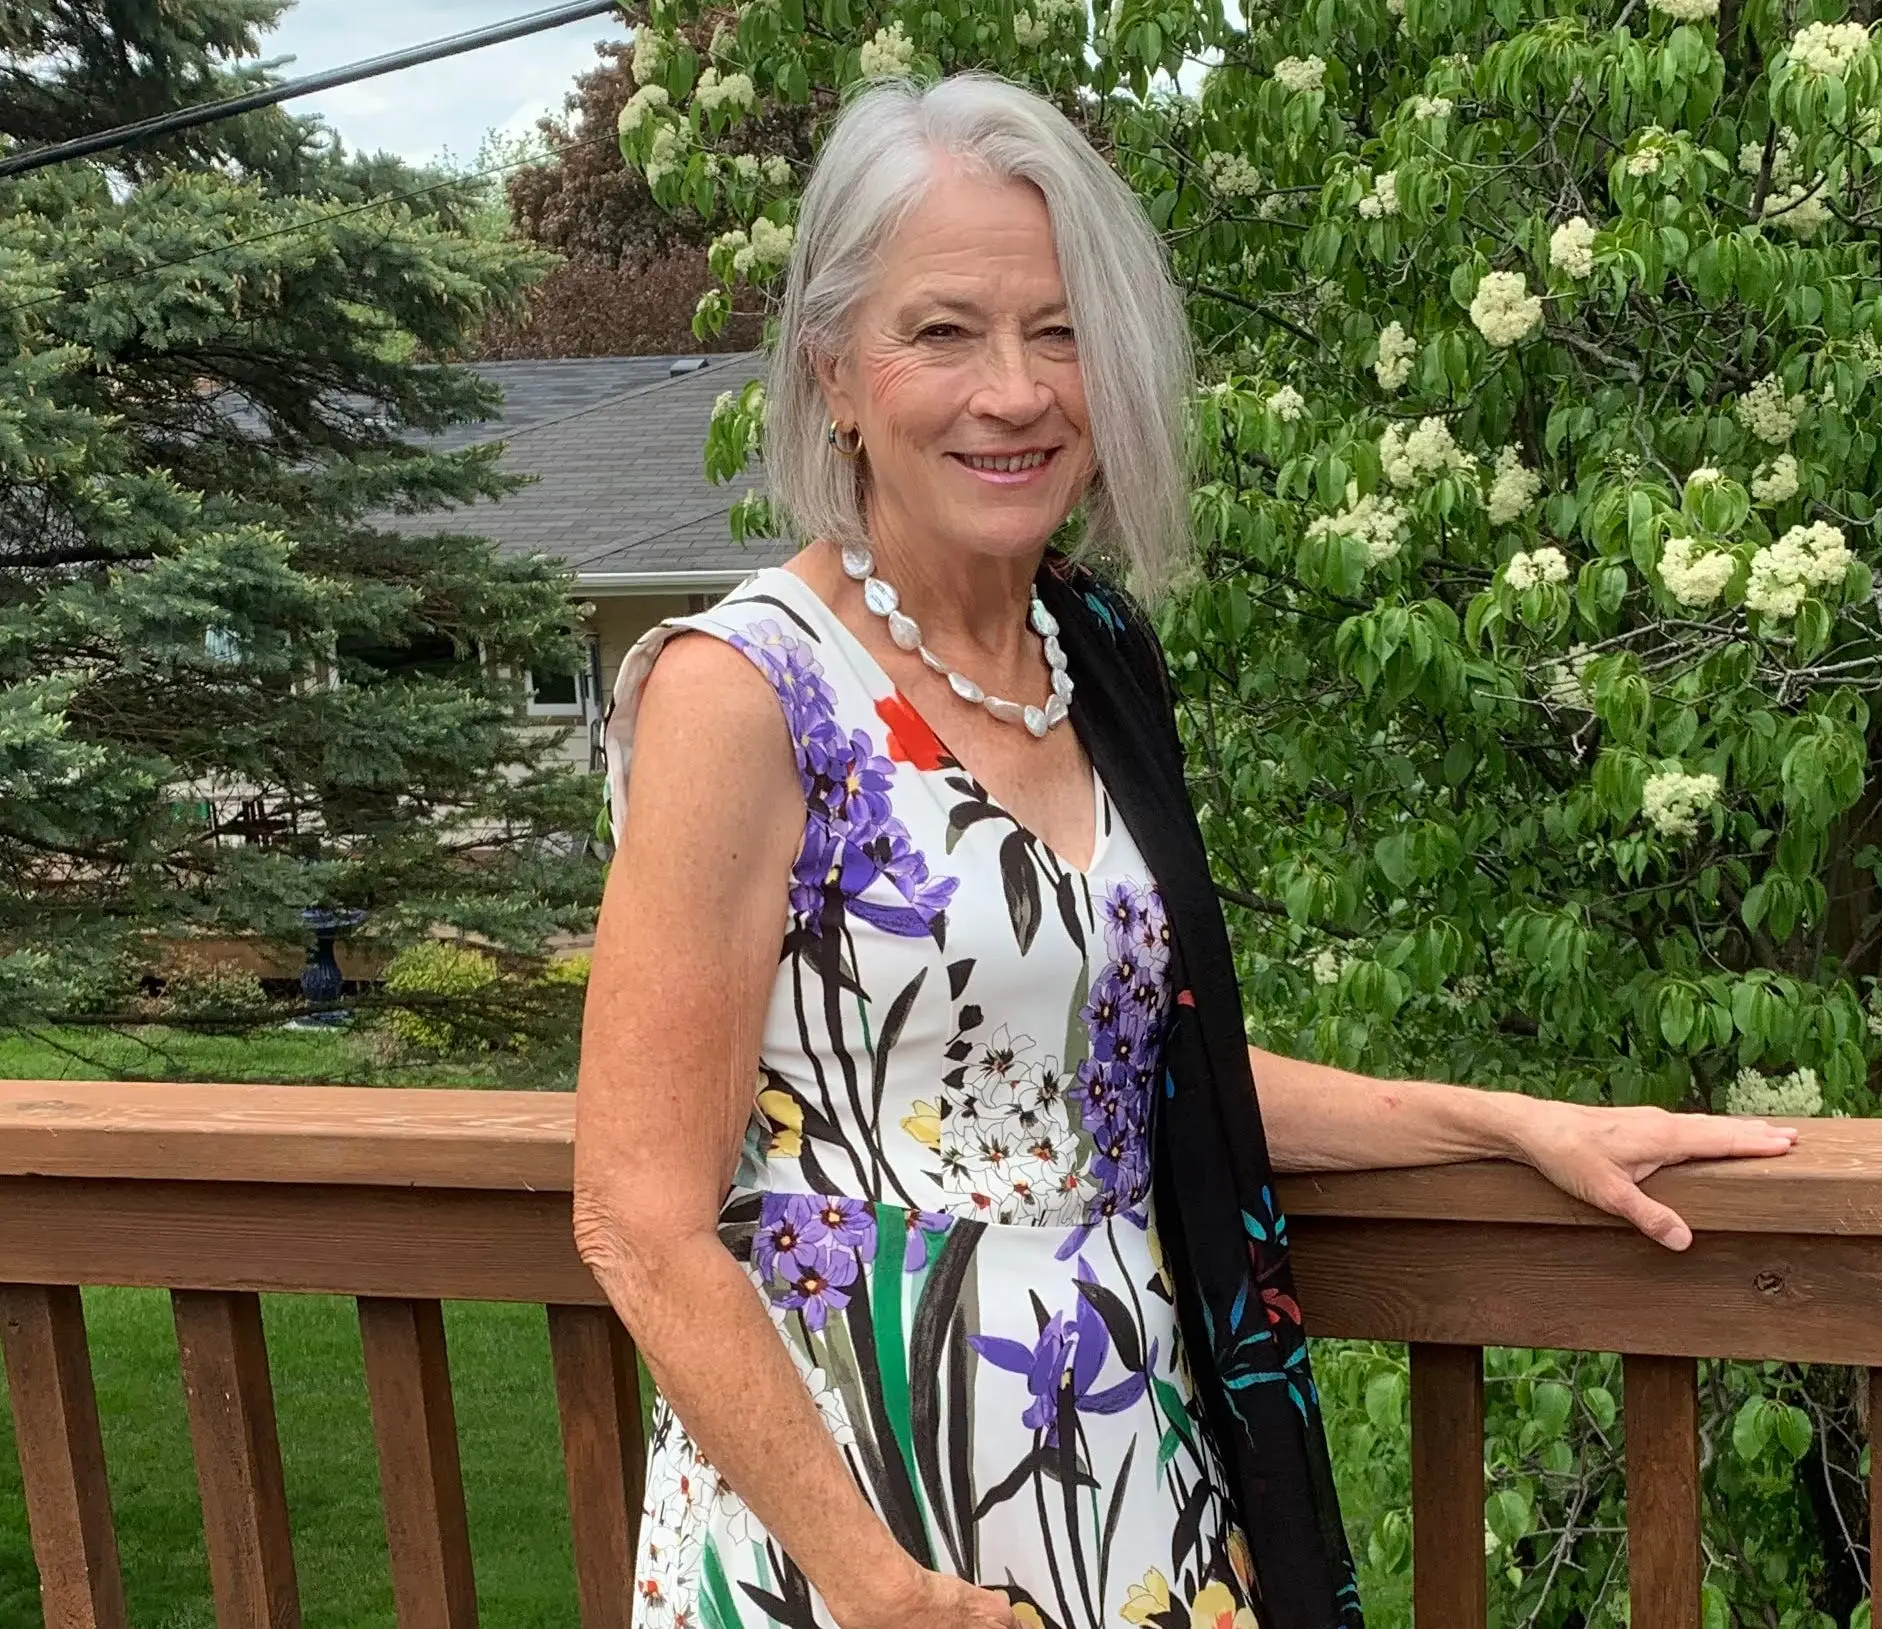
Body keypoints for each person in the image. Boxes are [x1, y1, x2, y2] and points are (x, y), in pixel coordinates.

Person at [573, 71, 1798, 1629]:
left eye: (1062, 329)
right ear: (835, 372)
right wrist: (871, 1582)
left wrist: (1507, 1125)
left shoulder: (1089, 653)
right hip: (863, 1517)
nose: (1015, 391)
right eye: (944, 331)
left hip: (1131, 1478)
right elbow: (634, 1212)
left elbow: (1148, 1075)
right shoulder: (743, 693)